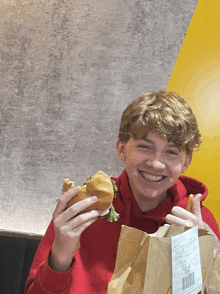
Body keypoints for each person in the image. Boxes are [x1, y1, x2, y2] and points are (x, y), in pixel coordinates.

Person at [25, 90, 220, 294]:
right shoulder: (81, 209)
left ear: (185, 162)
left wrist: (210, 264)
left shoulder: (199, 223)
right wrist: (60, 258)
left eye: (171, 152)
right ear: (122, 149)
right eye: (145, 147)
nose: (155, 163)